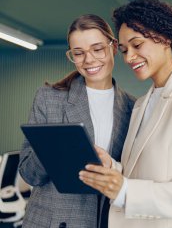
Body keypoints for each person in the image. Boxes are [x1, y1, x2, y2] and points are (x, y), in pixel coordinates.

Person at [79, 0, 172, 228]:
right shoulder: (140, 105)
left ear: (165, 38)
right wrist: (111, 168)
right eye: (125, 50)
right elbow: (139, 171)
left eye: (137, 45)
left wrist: (126, 191)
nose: (128, 58)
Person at [19, 14, 135, 228]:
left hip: (104, 221)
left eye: (97, 49)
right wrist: (52, 147)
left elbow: (134, 174)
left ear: (114, 47)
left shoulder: (133, 107)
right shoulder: (48, 98)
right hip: (52, 222)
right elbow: (28, 174)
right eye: (78, 53)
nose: (89, 60)